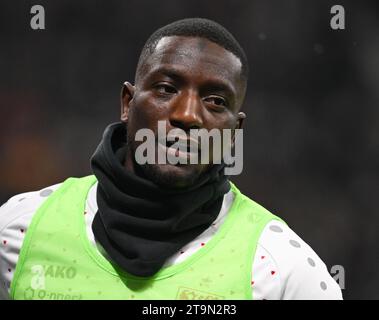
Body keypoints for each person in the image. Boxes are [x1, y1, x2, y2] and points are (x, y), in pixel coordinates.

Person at [0, 18, 342, 300]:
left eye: (216, 101)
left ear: (234, 132)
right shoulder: (19, 229)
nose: (187, 115)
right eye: (166, 88)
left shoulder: (283, 270)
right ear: (127, 103)